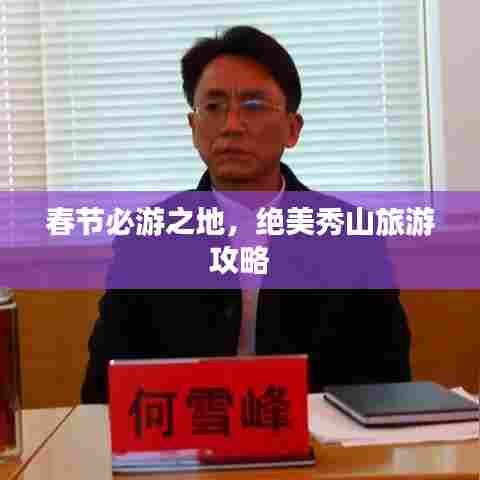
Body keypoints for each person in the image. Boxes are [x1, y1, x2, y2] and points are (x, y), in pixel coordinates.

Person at [81, 26, 411, 404]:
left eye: (253, 106)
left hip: (319, 436)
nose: (231, 126)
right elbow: (104, 389)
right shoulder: (148, 238)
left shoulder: (350, 236)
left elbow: (387, 381)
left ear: (292, 128)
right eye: (214, 107)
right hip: (188, 434)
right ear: (193, 127)